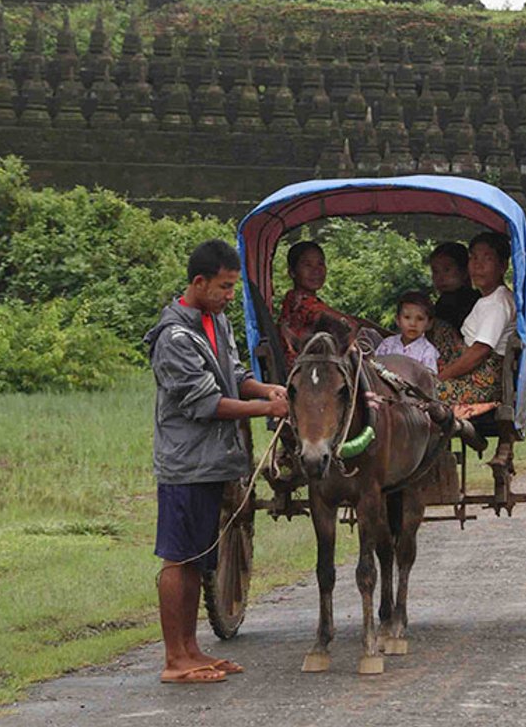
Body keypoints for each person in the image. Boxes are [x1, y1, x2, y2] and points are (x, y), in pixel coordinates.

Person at [145, 238, 288, 684]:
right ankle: (174, 659)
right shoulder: (175, 337)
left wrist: (266, 390)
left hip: (214, 462)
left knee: (198, 559)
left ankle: (191, 650)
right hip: (186, 463)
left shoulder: (216, 322)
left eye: (233, 288)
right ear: (199, 282)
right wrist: (267, 410)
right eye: (224, 287)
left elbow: (235, 375)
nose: (230, 296)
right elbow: (206, 402)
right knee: (178, 560)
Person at [436, 232, 516, 416]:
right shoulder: (487, 299)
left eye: (487, 258)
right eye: (473, 258)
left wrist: (440, 378)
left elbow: (480, 351)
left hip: (482, 381)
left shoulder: (498, 302)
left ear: (503, 266)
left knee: (422, 393)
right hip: (473, 371)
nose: (478, 266)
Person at [277, 241, 385, 369]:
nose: (316, 270)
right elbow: (350, 325)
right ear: (292, 272)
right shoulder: (304, 305)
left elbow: (352, 320)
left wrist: (390, 335)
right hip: (308, 370)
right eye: (307, 265)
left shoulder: (296, 298)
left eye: (320, 263)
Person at [375, 290, 439, 373]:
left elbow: (428, 381)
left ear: (429, 324)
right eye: (407, 317)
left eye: (420, 319)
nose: (413, 324)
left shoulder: (427, 351)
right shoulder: (387, 344)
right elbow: (374, 365)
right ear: (398, 320)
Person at [429, 241, 481, 331]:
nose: (440, 277)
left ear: (464, 271)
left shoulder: (475, 302)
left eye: (447, 270)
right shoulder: (443, 301)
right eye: (435, 271)